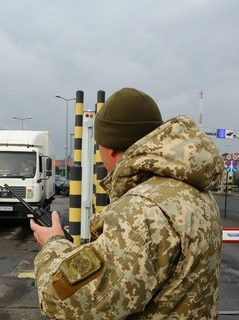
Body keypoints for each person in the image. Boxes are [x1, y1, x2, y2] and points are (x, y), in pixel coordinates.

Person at [30, 87, 224, 319]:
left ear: (109, 148)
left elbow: (65, 303)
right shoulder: (194, 192)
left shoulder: (142, 211)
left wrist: (53, 244)